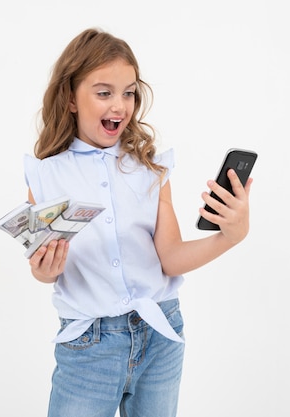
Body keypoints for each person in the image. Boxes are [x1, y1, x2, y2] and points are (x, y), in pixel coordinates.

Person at [23, 28, 253, 417]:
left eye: (128, 92)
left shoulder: (150, 168)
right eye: (104, 92)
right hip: (88, 347)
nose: (120, 105)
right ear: (70, 98)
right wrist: (44, 270)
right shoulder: (46, 176)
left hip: (161, 334)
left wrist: (230, 237)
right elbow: (42, 269)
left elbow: (171, 258)